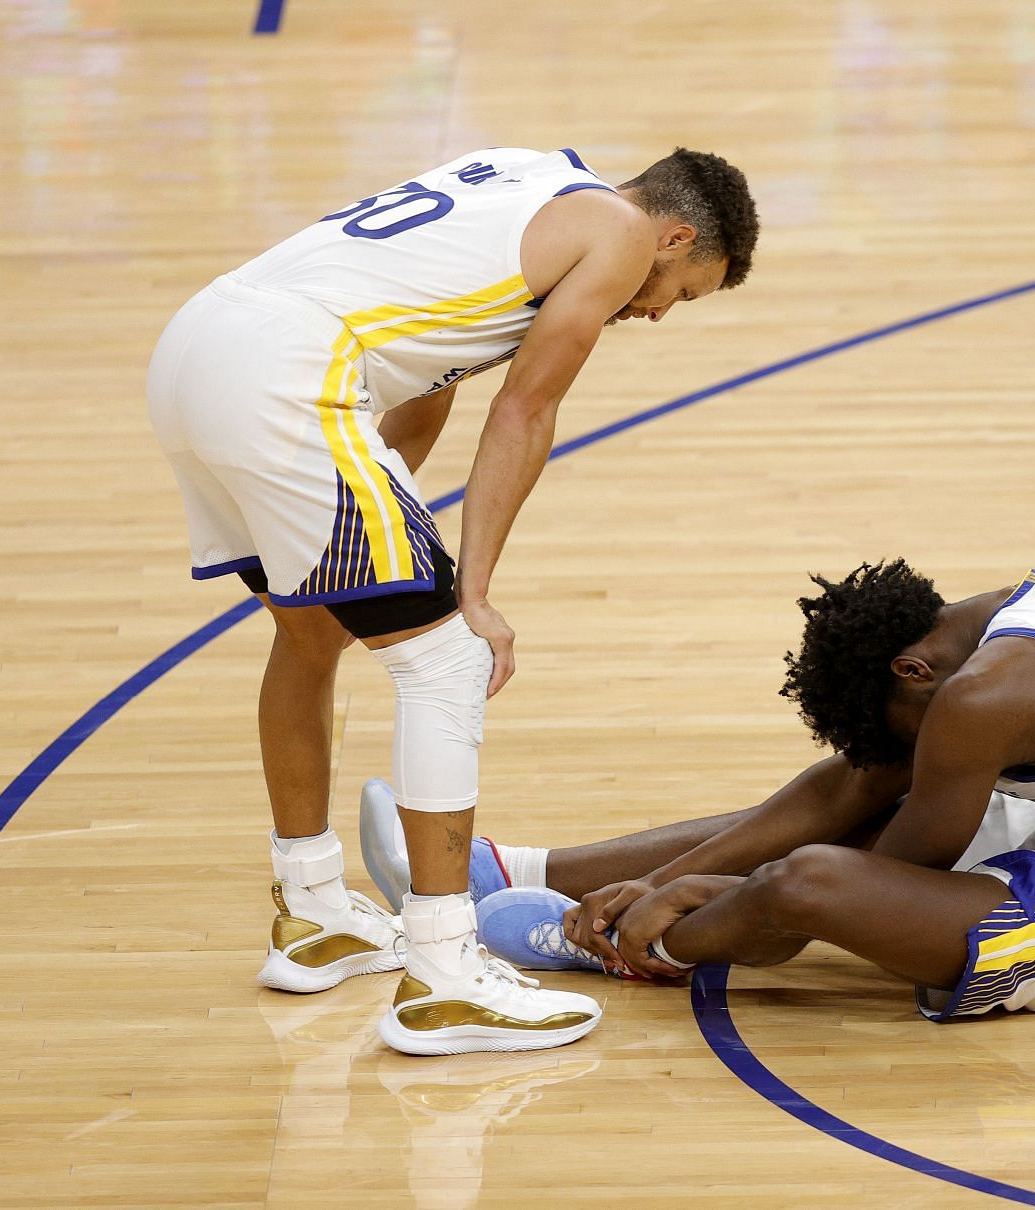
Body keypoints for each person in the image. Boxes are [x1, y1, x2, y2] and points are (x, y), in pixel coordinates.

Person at [146, 146, 759, 1054]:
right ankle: (444, 976)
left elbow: (428, 383)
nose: (658, 310)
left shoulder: (528, 177)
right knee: (447, 661)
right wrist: (469, 596)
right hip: (289, 375)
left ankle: (313, 913)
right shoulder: (624, 238)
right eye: (685, 290)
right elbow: (526, 408)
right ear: (674, 235)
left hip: (199, 351)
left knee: (313, 635)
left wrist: (383, 554)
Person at [364, 562, 1035, 1020]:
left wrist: (691, 892)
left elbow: (858, 878)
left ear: (914, 668)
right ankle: (511, 869)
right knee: (852, 805)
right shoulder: (1026, 609)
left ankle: (619, 940)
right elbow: (849, 785)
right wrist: (678, 871)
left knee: (807, 884)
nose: (899, 753)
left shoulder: (978, 698)